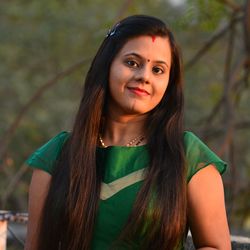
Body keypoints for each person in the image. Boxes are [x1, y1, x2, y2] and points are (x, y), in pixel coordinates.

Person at [25, 15, 231, 250]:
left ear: (168, 83)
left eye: (158, 70)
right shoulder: (57, 155)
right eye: (132, 63)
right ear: (107, 65)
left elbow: (216, 247)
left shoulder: (188, 156)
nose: (144, 76)